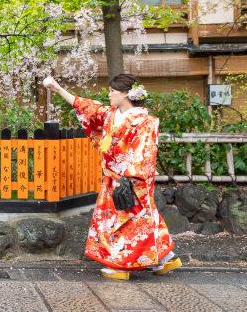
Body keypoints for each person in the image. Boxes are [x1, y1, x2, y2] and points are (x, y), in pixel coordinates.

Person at [43, 73, 181, 280]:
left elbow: (145, 152)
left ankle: (121, 265)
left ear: (126, 94)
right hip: (113, 177)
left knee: (125, 219)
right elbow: (86, 107)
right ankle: (164, 257)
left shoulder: (145, 121)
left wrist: (130, 178)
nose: (109, 94)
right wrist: (58, 89)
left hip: (131, 179)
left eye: (113, 91)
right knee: (142, 216)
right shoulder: (110, 115)